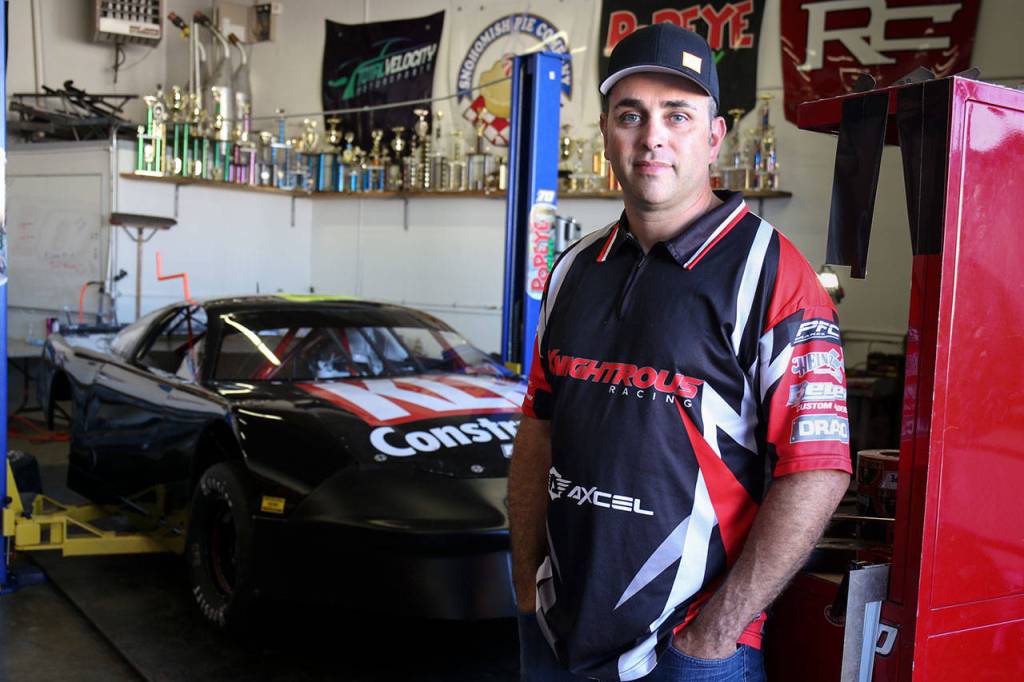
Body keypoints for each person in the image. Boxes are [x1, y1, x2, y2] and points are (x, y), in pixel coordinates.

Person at [508, 23, 852, 682]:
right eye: (630, 115)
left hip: (686, 654)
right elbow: (538, 429)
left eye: (678, 115)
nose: (653, 136)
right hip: (555, 633)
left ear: (715, 135)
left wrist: (717, 631)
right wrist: (527, 584)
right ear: (606, 131)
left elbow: (818, 469)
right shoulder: (574, 269)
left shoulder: (773, 276)